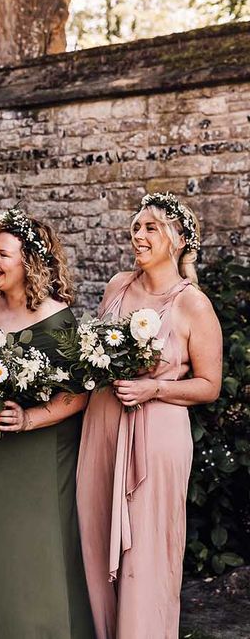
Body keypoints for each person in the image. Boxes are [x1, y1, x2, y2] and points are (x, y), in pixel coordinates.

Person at [76, 192, 222, 639]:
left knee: (148, 551)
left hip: (156, 436)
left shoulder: (192, 304)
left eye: (150, 228)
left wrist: (154, 387)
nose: (138, 235)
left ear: (177, 239)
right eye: (136, 227)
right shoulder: (117, 285)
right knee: (96, 536)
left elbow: (209, 386)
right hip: (101, 426)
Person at [0, 207, 94, 639]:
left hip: (40, 453)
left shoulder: (58, 318)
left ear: (30, 263)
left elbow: (79, 393)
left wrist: (30, 417)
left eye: (3, 253)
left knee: (36, 548)